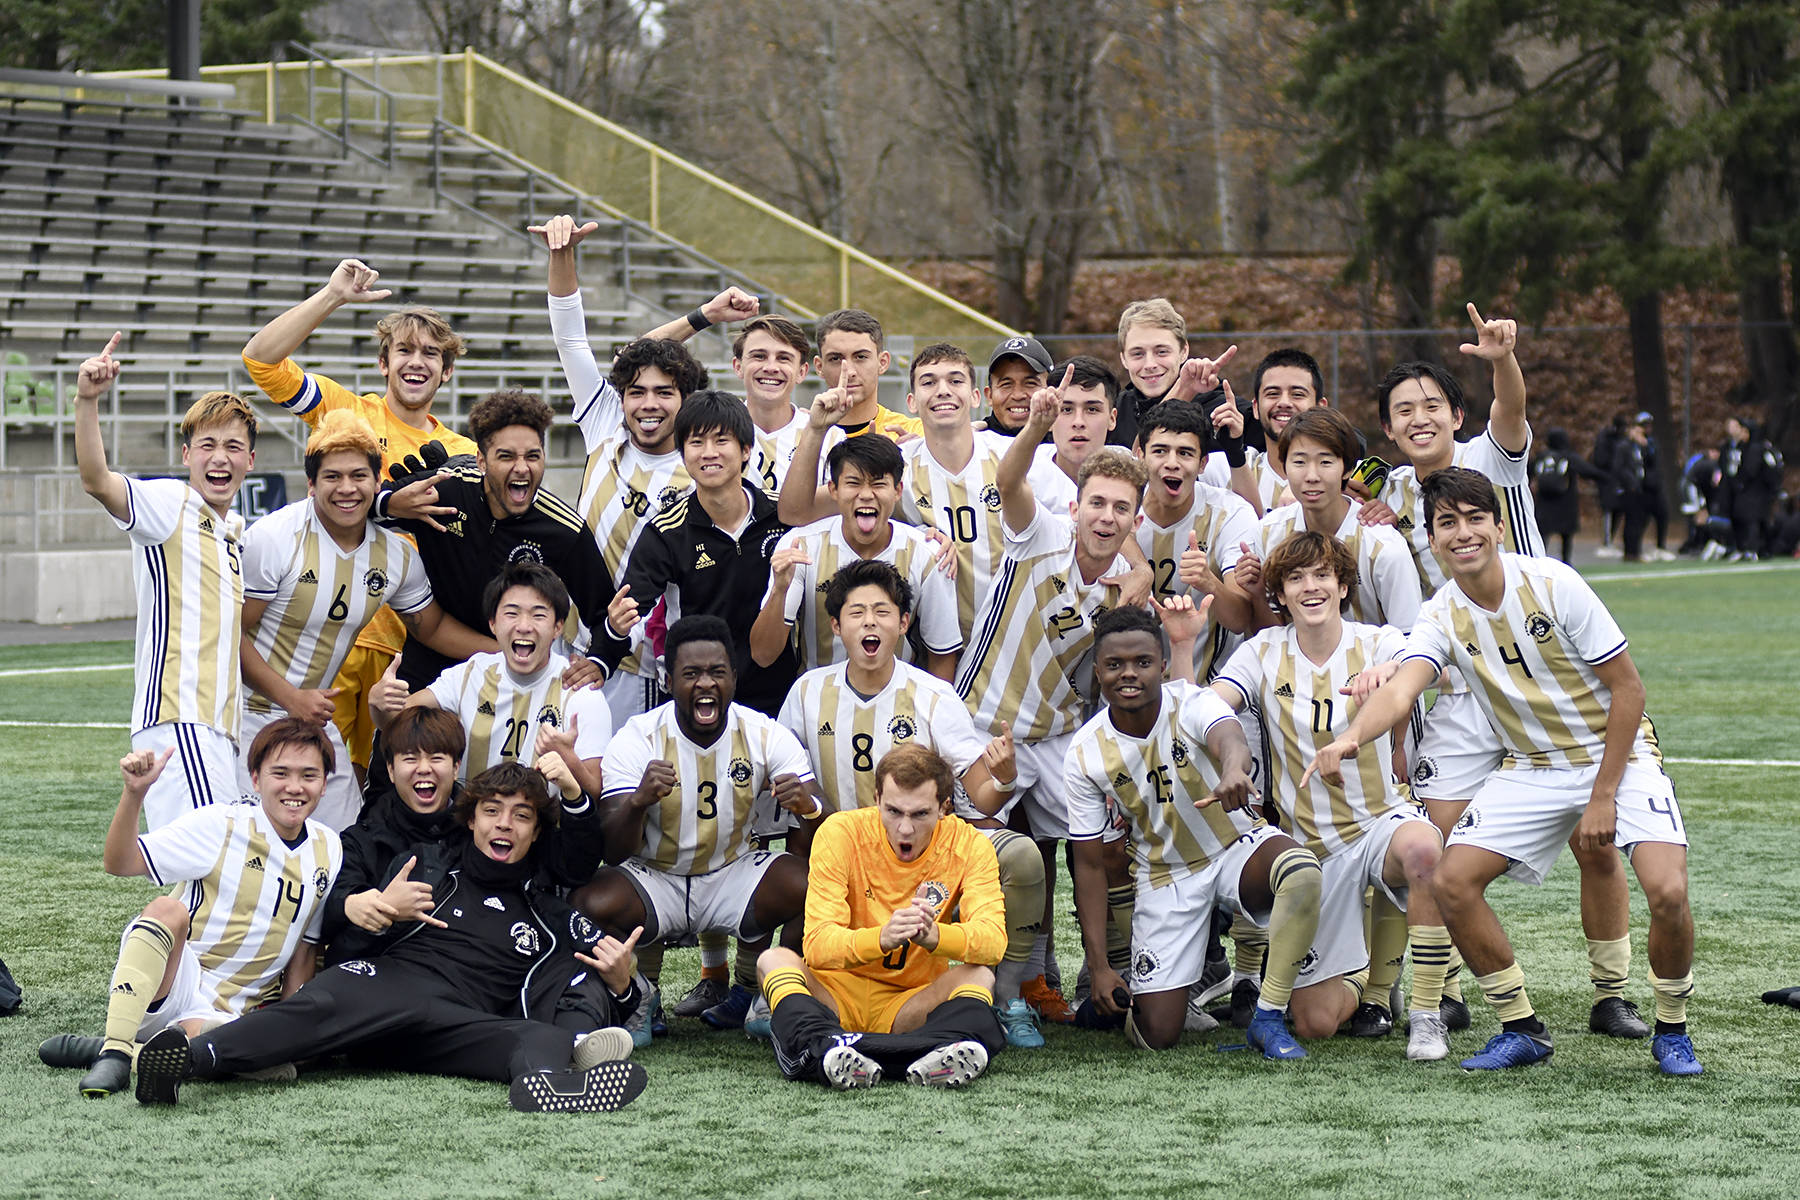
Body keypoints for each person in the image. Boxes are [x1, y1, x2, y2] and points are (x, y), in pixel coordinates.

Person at [1306, 468, 1703, 1075]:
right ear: (1433, 539)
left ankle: (1672, 1029)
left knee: (1668, 891)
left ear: (1497, 525)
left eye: (1473, 519)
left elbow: (1630, 691)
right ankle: (1522, 1027)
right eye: (1446, 523)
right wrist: (1352, 737)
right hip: (1533, 765)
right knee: (1452, 881)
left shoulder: (1552, 583)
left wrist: (1602, 796)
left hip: (1616, 757)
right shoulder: (1441, 612)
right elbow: (1405, 687)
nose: (1462, 534)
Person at [1362, 305, 1643, 1040]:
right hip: (1457, 691)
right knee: (1437, 841)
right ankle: (1442, 990)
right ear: (1388, 430)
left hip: (1545, 684)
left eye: (1431, 406)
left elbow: (1512, 412)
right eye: (1403, 412)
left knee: (1596, 839)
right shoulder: (1384, 497)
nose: (1419, 419)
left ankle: (1611, 992)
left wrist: (1501, 361)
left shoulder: (1490, 459)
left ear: (1456, 414)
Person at [129, 760, 651, 1112]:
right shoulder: (424, 873)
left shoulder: (549, 916)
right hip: (386, 991)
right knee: (324, 1002)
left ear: (536, 833)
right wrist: (375, 911)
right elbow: (343, 930)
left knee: (542, 1037)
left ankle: (551, 1086)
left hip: (457, 1029)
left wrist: (623, 987)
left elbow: (591, 977)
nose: (505, 826)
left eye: (521, 817)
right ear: (470, 821)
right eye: (492, 812)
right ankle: (186, 1064)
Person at [779, 561, 1044, 1045]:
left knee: (1022, 856)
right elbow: (791, 784)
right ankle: (750, 988)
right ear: (836, 626)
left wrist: (1002, 779)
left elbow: (977, 792)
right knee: (788, 898)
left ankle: (1008, 994)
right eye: (856, 612)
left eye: (883, 611)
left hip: (929, 846)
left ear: (904, 623)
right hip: (845, 847)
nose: (870, 622)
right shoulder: (806, 692)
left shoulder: (933, 694)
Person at [1213, 531, 1450, 1059]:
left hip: (1379, 820)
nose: (1310, 587)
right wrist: (1183, 651)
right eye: (1296, 578)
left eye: (1322, 575)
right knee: (1316, 1022)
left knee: (1425, 853)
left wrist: (1394, 671)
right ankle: (1372, 979)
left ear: (1343, 586)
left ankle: (1428, 1016)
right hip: (1313, 850)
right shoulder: (1262, 652)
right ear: (1281, 593)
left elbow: (1438, 669)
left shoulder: (1379, 641)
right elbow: (1212, 705)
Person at [241, 258, 479, 781]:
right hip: (339, 636)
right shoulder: (347, 412)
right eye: (405, 350)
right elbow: (260, 360)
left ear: (447, 369)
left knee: (397, 785)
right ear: (383, 362)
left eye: (431, 354)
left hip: (414, 641)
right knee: (316, 775)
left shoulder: (463, 453)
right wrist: (332, 297)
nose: (416, 362)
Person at [1065, 606, 1321, 1056]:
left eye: (1142, 662)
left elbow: (1230, 736)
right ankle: (1106, 1008)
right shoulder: (1084, 752)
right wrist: (1100, 965)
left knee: (1299, 869)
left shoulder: (1192, 701)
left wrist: (1232, 770)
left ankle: (1268, 1015)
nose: (1129, 674)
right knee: (1157, 1035)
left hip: (1233, 849)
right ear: (1098, 670)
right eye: (1114, 664)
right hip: (1166, 876)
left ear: (1162, 665)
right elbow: (1088, 865)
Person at [57, 718, 343, 1097]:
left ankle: (130, 1051)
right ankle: (113, 1051)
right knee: (166, 909)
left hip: (232, 1013)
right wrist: (134, 795)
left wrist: (289, 1027)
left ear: (324, 784)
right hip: (171, 984)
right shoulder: (221, 824)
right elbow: (120, 862)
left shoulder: (330, 848)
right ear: (255, 779)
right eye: (281, 773)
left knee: (278, 1064)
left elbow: (304, 949)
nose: (295, 787)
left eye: (309, 775)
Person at [238, 411, 490, 828]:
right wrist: (291, 698)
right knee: (248, 849)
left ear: (378, 483)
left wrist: (502, 653)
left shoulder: (396, 555)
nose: (347, 489)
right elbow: (229, 635)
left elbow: (431, 627)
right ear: (311, 484)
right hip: (245, 715)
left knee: (345, 846)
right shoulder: (274, 538)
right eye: (333, 477)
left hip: (311, 719)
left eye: (359, 476)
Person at [573, 617, 818, 1041]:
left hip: (732, 872)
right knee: (587, 904)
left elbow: (818, 814)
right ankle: (638, 992)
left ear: (734, 678)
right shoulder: (638, 737)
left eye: (717, 672)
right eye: (691, 674)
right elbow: (612, 849)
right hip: (655, 875)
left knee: (814, 887)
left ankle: (765, 991)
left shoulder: (762, 731)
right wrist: (637, 802)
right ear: (668, 681)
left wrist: (808, 805)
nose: (705, 684)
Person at [74, 333, 257, 829]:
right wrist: (87, 401)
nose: (220, 457)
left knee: (212, 878)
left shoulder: (237, 532)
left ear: (250, 461)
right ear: (186, 455)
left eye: (233, 447)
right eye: (208, 446)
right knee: (208, 872)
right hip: (180, 724)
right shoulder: (170, 504)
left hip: (218, 730)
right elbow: (97, 480)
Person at [755, 744, 1007, 1089]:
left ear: (944, 808)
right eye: (893, 811)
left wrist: (936, 938)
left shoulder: (969, 845)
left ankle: (848, 1053)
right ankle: (853, 1050)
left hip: (910, 1002)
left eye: (920, 814)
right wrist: (881, 938)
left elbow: (993, 942)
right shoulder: (841, 832)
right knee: (774, 960)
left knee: (979, 976)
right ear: (876, 799)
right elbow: (816, 946)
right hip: (835, 997)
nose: (905, 829)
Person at [597, 391, 796, 717]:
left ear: (746, 450)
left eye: (722, 441)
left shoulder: (781, 516)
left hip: (776, 695)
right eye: (696, 442)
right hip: (696, 695)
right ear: (681, 453)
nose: (709, 453)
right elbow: (633, 613)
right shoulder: (666, 531)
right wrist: (601, 655)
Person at [382, 561, 612, 791]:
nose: (524, 626)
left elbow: (595, 792)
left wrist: (567, 758)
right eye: (512, 613)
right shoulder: (471, 673)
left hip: (546, 824)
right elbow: (397, 720)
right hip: (470, 822)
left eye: (538, 615)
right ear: (493, 623)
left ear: (558, 627)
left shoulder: (580, 692)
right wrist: (378, 704)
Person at [750, 434, 961, 680]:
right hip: (818, 705)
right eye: (854, 483)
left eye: (878, 484)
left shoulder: (929, 555)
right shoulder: (801, 546)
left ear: (897, 491)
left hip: (899, 707)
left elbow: (942, 655)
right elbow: (763, 655)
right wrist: (779, 590)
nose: (866, 494)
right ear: (833, 490)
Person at [1244, 408, 1420, 633]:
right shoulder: (1268, 533)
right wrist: (1257, 593)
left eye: (1325, 462)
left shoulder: (1383, 546)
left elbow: (1410, 639)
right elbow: (1272, 636)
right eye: (1299, 462)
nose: (1312, 476)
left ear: (1347, 469)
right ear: (1284, 467)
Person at [1025, 355, 1120, 513]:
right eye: (1066, 409)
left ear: (1112, 418)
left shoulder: (1134, 476)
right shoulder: (1027, 474)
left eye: (1092, 409)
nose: (1078, 422)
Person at [810, 308, 924, 440]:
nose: (850, 372)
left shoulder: (915, 434)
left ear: (883, 362)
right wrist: (813, 433)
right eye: (835, 359)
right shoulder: (802, 435)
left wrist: (913, 457)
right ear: (819, 367)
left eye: (861, 357)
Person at [1243, 348, 1331, 513]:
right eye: (1273, 394)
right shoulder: (1232, 468)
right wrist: (1186, 388)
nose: (1284, 403)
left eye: (1297, 394)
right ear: (1255, 407)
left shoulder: (1348, 477)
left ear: (1321, 408)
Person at [1530, 428, 1608, 565]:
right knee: (1566, 536)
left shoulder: (1541, 457)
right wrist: (1607, 477)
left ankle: (1538, 563)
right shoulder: (1569, 457)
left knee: (1542, 536)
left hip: (1544, 503)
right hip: (1566, 503)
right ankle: (1566, 563)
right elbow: (1587, 471)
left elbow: (1527, 472)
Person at [1720, 415, 1784, 560]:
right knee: (1757, 519)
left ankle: (1752, 548)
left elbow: (1751, 470)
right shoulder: (1757, 447)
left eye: (1743, 431)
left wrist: (1739, 482)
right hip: (1759, 490)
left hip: (1755, 490)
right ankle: (1760, 548)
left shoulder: (1755, 448)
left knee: (1752, 519)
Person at [981, 335, 1055, 437]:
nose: (1018, 395)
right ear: (989, 396)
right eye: (1006, 384)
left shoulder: (1066, 447)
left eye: (1030, 383)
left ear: (1052, 390)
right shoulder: (971, 447)